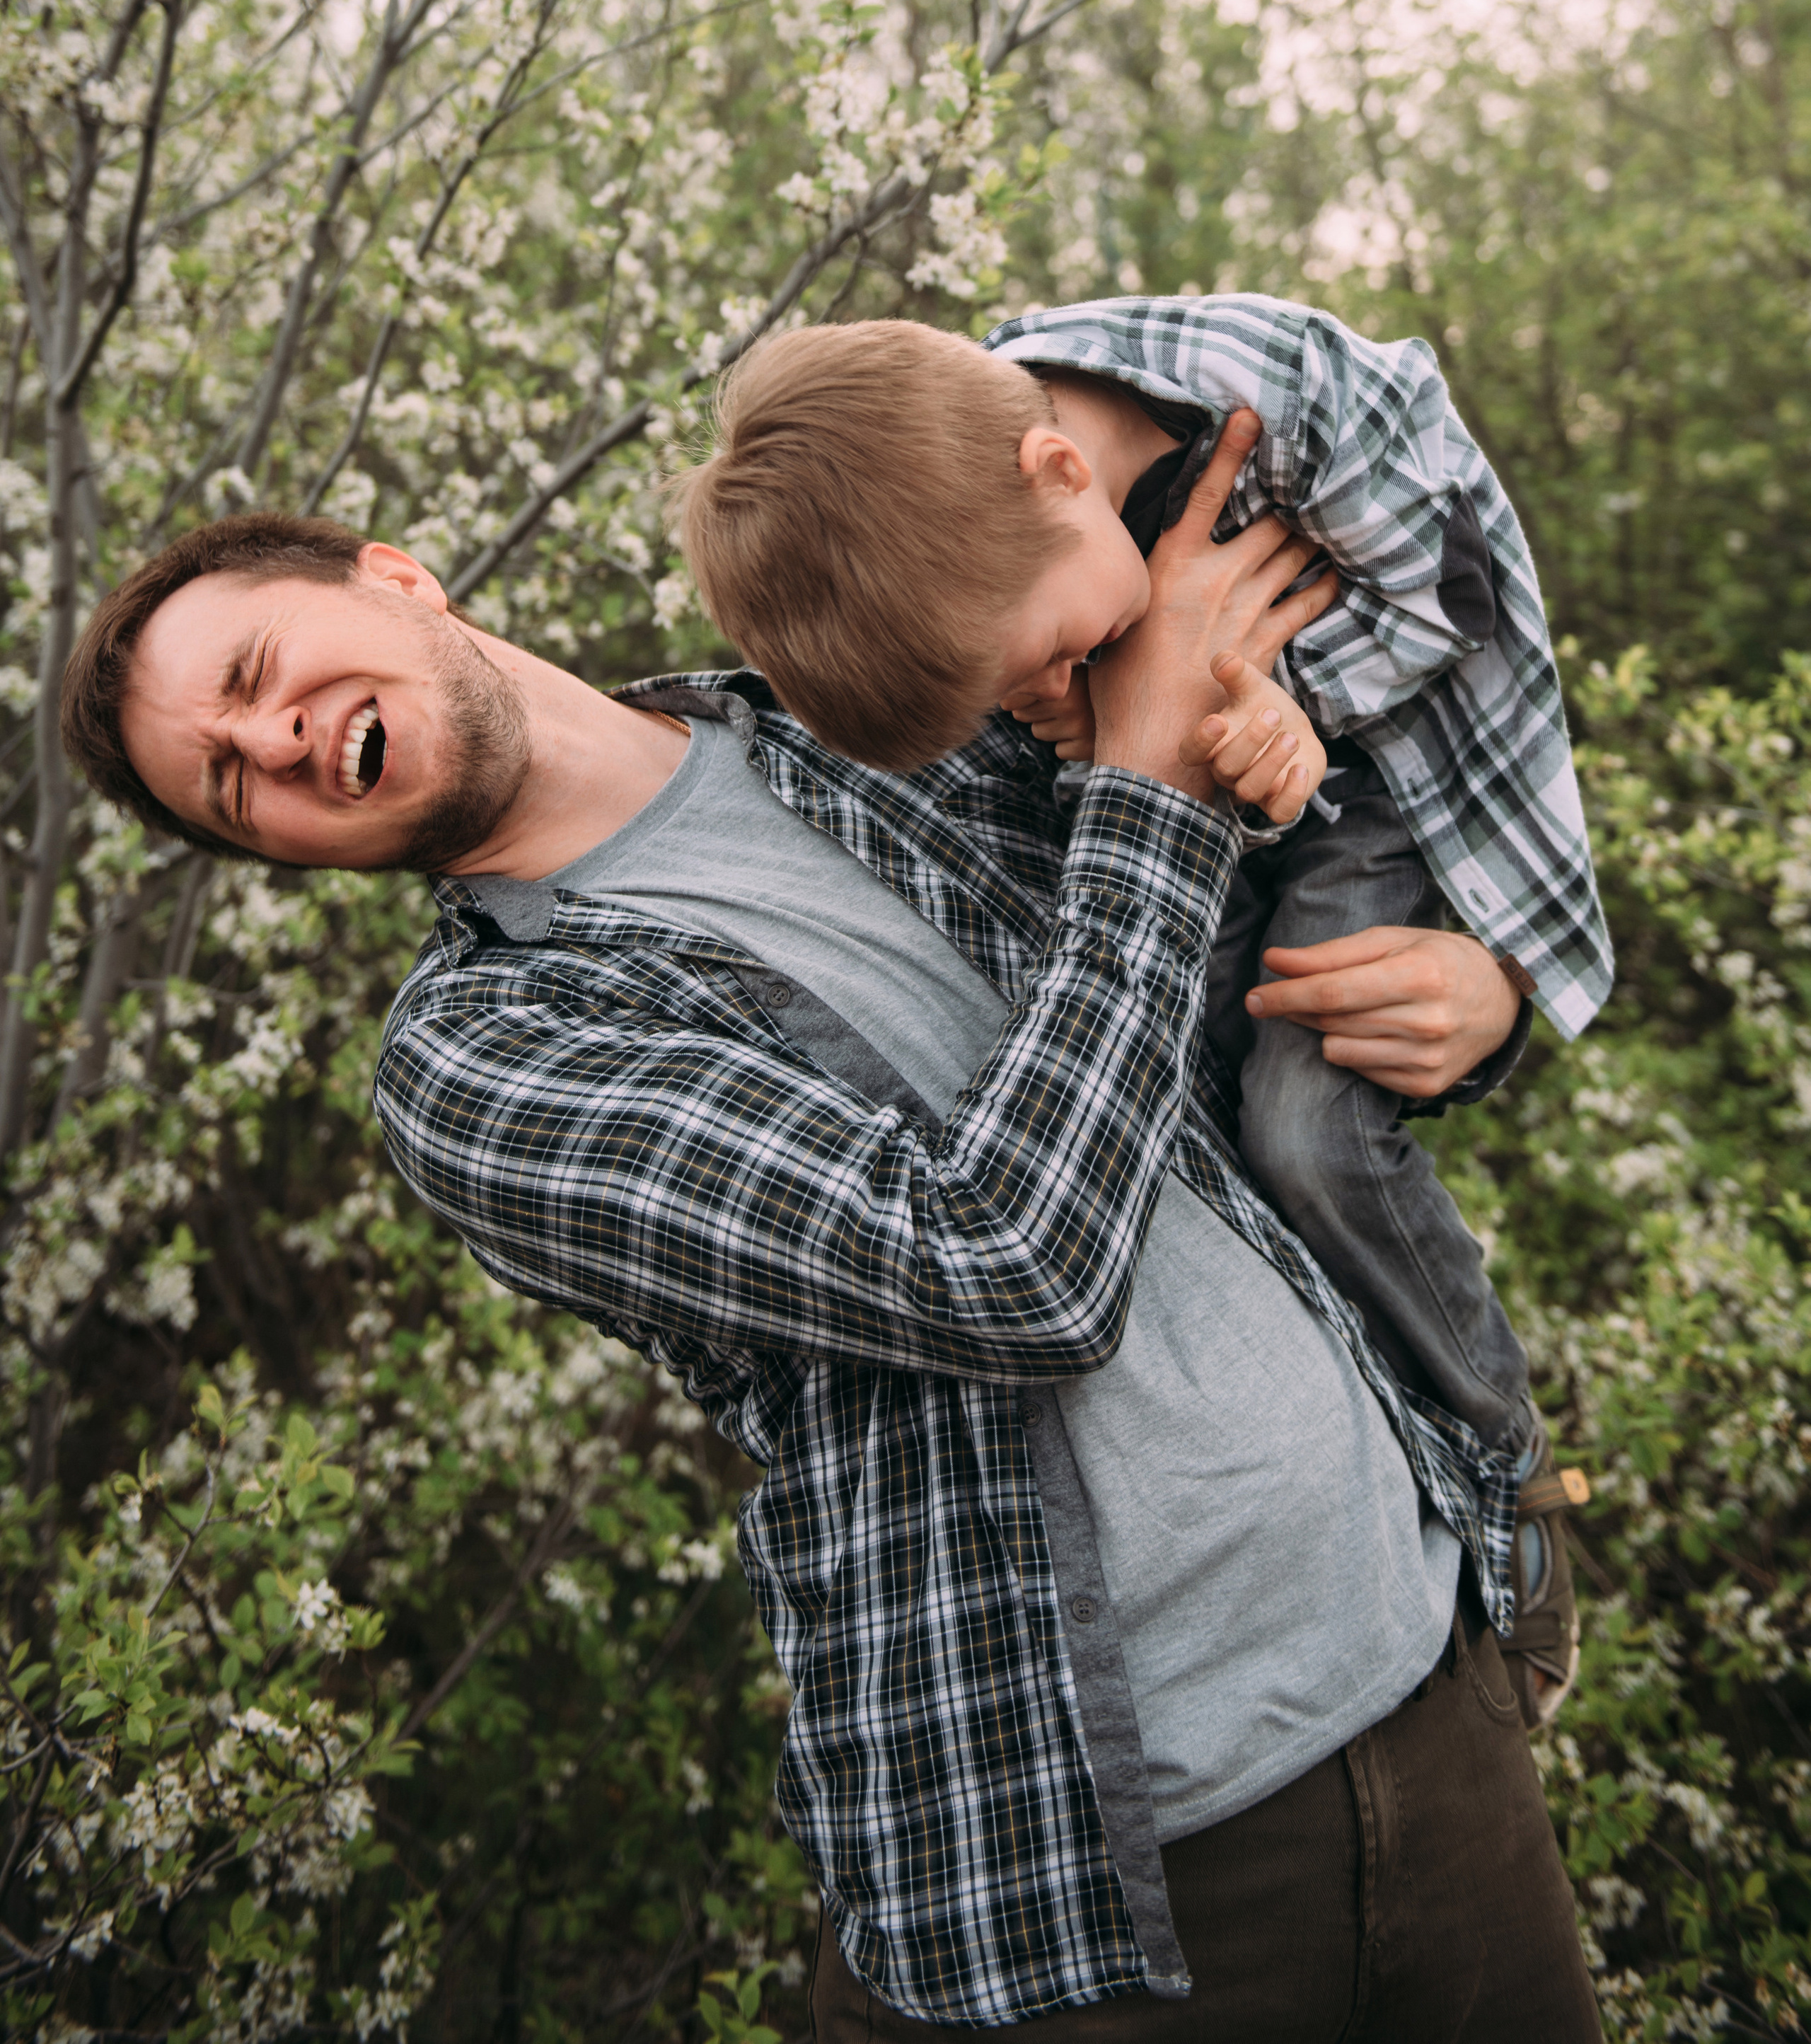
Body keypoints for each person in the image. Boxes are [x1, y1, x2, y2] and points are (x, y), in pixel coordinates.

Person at [59, 446, 1602, 2042]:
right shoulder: (481, 1061)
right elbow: (1004, 1264)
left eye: (254, 675)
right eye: (232, 786)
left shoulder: (849, 708)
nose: (274, 743)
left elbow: (1195, 991)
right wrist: (1146, 782)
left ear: (391, 577)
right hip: (1111, 1876)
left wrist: (1475, 993)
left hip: (1432, 1671)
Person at [676, 299, 1609, 1719]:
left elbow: (1452, 592)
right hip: (1217, 804)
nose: (1056, 696)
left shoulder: (1278, 394)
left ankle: (1502, 1464)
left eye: (1056, 658)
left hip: (1391, 782)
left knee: (1302, 1127)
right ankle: (1384, 1450)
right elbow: (1085, 751)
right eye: (1023, 692)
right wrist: (1145, 721)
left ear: (1060, 470)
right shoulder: (968, 549)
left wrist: (1245, 689)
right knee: (1179, 1098)